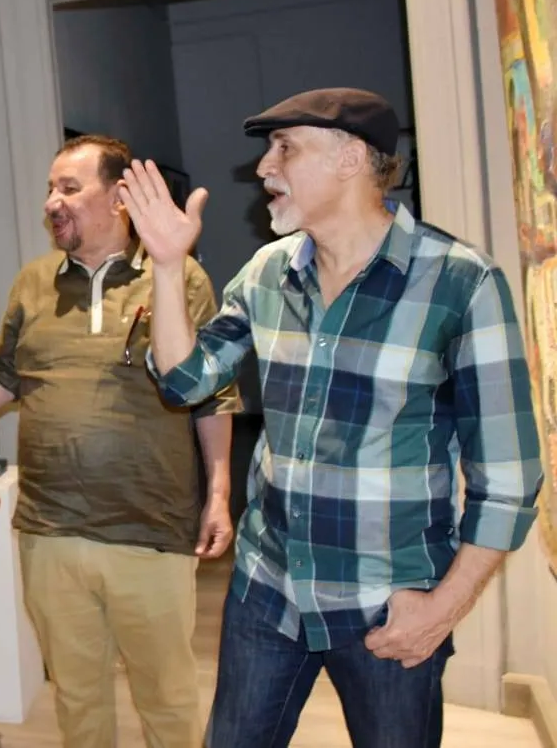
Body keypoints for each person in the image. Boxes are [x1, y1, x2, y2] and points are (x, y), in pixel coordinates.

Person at [119, 88, 545, 748]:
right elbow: (184, 381)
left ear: (351, 159)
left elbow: (509, 480)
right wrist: (169, 266)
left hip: (386, 603)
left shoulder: (461, 283)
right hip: (269, 588)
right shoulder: (268, 273)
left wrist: (444, 607)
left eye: (285, 148)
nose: (264, 167)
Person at [0, 135, 238, 748]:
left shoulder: (179, 276)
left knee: (168, 698)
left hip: (150, 529)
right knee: (77, 699)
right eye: (50, 189)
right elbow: (3, 378)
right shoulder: (34, 282)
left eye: (69, 188)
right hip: (49, 532)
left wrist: (220, 494)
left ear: (119, 198)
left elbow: (213, 395)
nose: (52, 202)